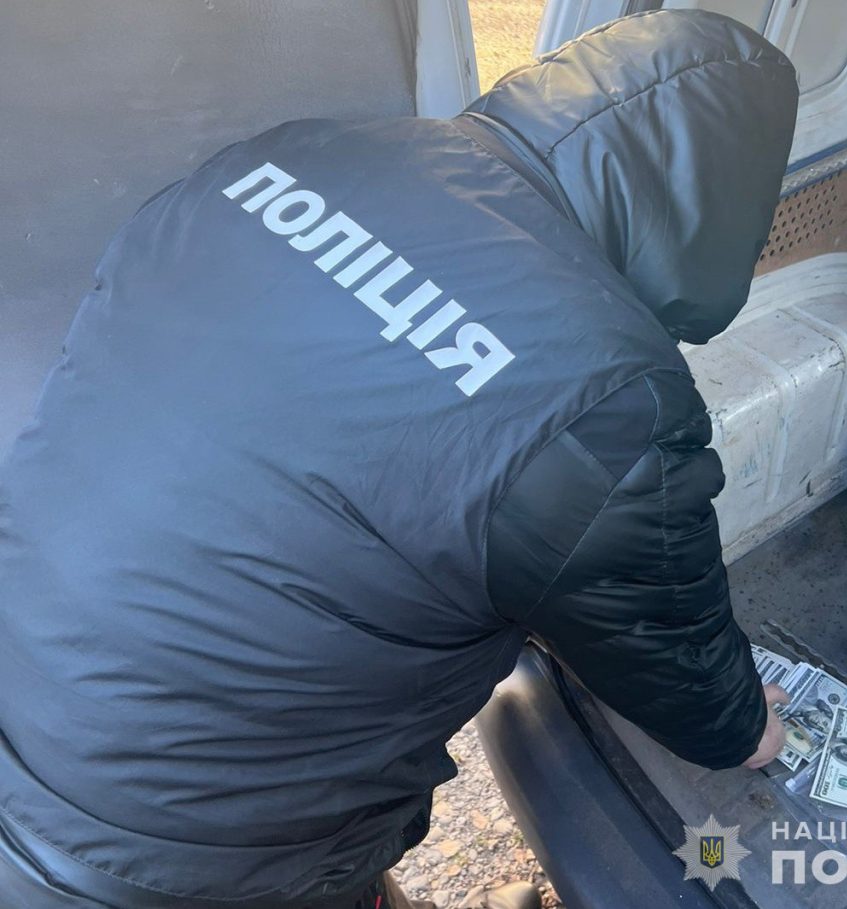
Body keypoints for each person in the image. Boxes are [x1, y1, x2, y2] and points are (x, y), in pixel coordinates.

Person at [0, 9, 797, 909]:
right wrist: (748, 728)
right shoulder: (606, 396)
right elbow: (679, 664)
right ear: (717, 210)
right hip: (190, 862)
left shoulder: (280, 161)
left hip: (26, 691)